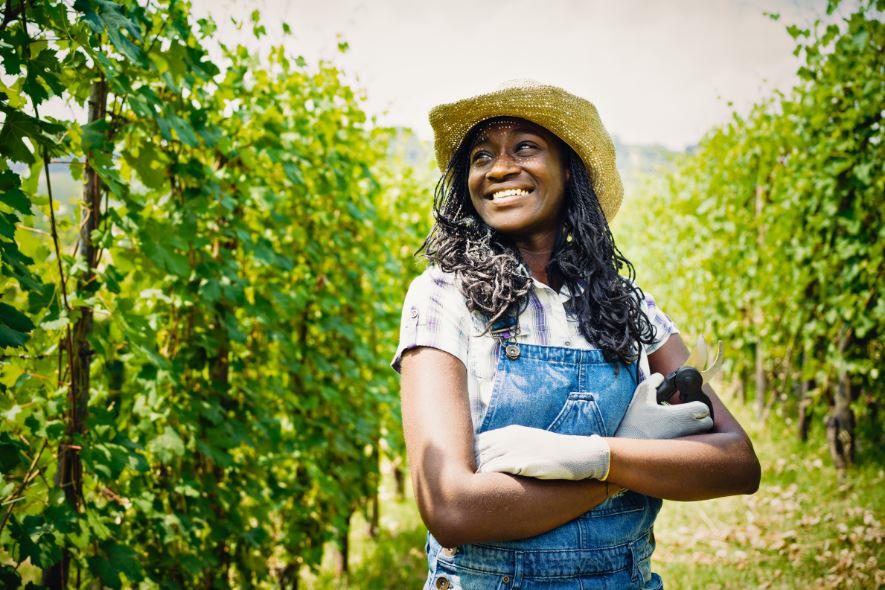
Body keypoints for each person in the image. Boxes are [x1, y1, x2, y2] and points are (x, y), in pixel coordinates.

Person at [391, 80, 760, 590]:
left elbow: (738, 464)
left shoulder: (626, 305)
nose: (499, 168)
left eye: (524, 147)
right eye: (481, 156)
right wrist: (627, 460)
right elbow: (450, 507)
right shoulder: (442, 297)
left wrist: (598, 457)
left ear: (569, 170)